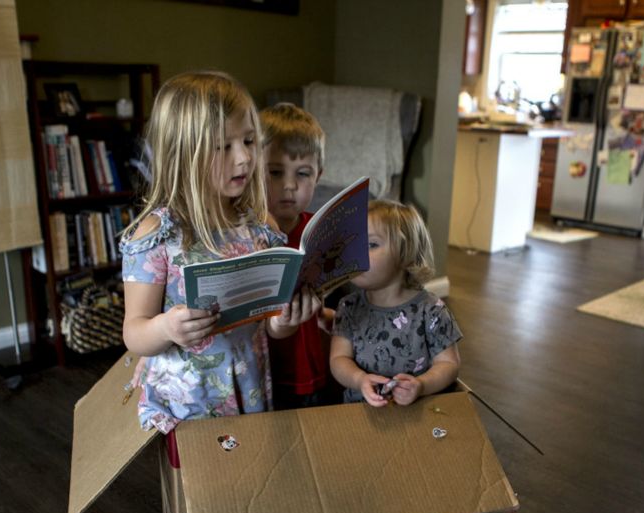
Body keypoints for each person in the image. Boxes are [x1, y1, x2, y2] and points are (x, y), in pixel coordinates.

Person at [120, 71, 320, 434]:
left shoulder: (260, 224)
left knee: (245, 476)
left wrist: (285, 322)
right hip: (185, 402)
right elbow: (134, 332)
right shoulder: (157, 234)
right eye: (224, 146)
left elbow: (270, 324)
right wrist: (166, 327)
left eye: (248, 141)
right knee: (196, 486)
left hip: (250, 386)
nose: (244, 158)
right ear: (184, 153)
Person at [330, 200, 462, 407]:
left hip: (417, 414)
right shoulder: (348, 307)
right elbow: (339, 359)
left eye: (371, 244)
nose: (355, 254)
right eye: (352, 245)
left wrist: (421, 385)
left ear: (405, 252)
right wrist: (359, 380)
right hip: (360, 414)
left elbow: (449, 364)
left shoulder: (431, 310)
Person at [260, 103, 337, 410]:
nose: (289, 185)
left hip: (314, 365)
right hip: (269, 373)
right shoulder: (249, 236)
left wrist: (327, 315)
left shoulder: (316, 229)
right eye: (275, 172)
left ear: (318, 175)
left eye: (303, 174)